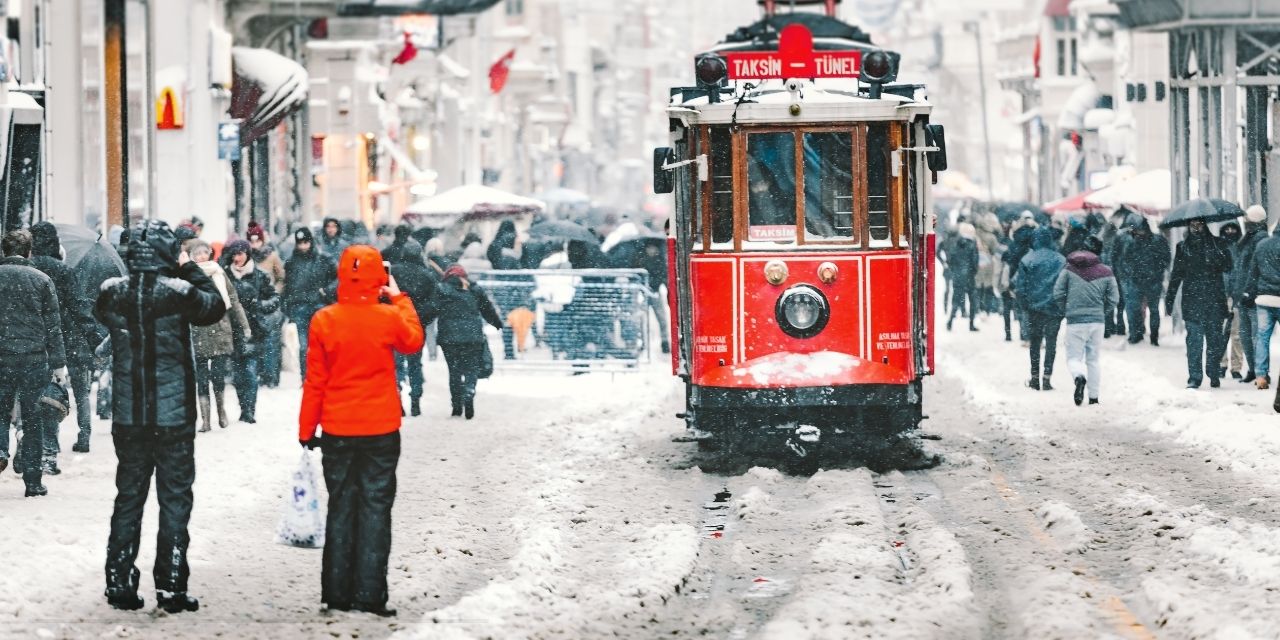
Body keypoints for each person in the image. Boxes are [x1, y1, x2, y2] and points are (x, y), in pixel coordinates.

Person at [96, 220, 225, 612]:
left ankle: (119, 577)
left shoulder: (113, 294)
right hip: (173, 416)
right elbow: (214, 307)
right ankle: (170, 582)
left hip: (130, 413)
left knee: (129, 496)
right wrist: (185, 266)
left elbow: (102, 316)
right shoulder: (180, 293)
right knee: (174, 499)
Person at [298, 244, 424, 616]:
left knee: (341, 506)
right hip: (381, 428)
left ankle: (336, 593)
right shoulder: (387, 318)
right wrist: (398, 297)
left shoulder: (324, 320)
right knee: (375, 509)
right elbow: (413, 339)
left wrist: (307, 429)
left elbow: (315, 381)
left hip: (337, 428)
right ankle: (370, 595)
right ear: (378, 278)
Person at [0, 229, 67, 496]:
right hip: (33, 358)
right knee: (32, 418)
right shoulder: (42, 280)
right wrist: (59, 364)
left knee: (0, 410)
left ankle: (0, 448)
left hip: (2, 356)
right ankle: (32, 480)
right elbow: (53, 326)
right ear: (29, 251)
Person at [28, 221, 96, 458]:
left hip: (38, 340)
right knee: (80, 391)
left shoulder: (30, 268)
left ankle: (45, 443)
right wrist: (95, 337)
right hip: (71, 339)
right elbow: (79, 307)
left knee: (43, 393)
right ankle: (84, 434)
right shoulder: (64, 270)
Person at [425, 265, 503, 419]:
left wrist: (419, 321)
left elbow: (431, 310)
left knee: (454, 372)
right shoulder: (474, 289)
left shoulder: (442, 289)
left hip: (449, 338)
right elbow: (487, 309)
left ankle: (456, 406)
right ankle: (469, 390)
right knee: (471, 368)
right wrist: (497, 323)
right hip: (472, 336)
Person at [189, 241, 252, 432]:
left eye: (203, 253)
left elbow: (233, 299)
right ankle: (205, 419)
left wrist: (244, 325)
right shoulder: (189, 275)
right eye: (196, 253)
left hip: (220, 327)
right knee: (201, 377)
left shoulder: (218, 272)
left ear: (209, 254)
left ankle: (221, 411)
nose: (200, 256)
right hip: (198, 328)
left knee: (218, 375)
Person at [1166, 219, 1232, 389]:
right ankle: (1194, 377)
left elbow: (1228, 267)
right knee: (1194, 341)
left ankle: (1213, 371)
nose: (1196, 228)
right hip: (1192, 299)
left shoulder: (1218, 244)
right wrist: (1170, 298)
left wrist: (1219, 253)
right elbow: (1176, 274)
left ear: (1205, 225)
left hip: (1214, 299)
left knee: (1214, 340)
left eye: (1199, 224)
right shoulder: (1183, 247)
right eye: (1192, 225)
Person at [1054, 236, 1119, 406]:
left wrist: (1067, 310)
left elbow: (1058, 293)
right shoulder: (1107, 271)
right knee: (1093, 360)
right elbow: (1114, 298)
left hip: (1075, 321)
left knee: (1073, 358)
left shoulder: (1069, 269)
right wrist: (1101, 311)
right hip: (1097, 322)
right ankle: (1094, 397)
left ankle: (1078, 377)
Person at [224, 240, 280, 423]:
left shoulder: (259, 276)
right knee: (238, 374)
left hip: (254, 328)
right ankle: (243, 407)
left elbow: (274, 298)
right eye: (234, 254)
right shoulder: (226, 275)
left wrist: (260, 306)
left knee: (250, 371)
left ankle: (249, 410)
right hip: (232, 329)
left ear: (247, 254)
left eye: (240, 254)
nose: (237, 258)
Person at [389, 239, 437, 417]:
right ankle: (415, 398)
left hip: (395, 322)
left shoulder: (393, 272)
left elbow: (386, 296)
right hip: (416, 325)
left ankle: (397, 397)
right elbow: (434, 303)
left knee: (396, 364)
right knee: (415, 364)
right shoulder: (426, 275)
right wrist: (421, 318)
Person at [1015, 227, 1066, 390]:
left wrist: (1025, 306)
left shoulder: (1027, 259)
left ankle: (1034, 377)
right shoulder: (1060, 260)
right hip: (1055, 308)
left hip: (1034, 308)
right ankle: (1047, 378)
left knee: (1035, 343)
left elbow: (1020, 288)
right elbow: (1065, 285)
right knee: (1051, 343)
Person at [283, 228, 337, 382]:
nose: (303, 246)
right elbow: (287, 285)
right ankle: (306, 377)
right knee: (304, 346)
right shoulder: (291, 262)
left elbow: (338, 278)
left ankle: (322, 375)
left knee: (322, 344)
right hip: (300, 307)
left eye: (306, 242)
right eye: (300, 243)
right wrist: (288, 305)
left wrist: (325, 292)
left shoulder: (324, 259)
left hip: (319, 306)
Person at [1114, 214, 1171, 345]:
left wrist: (1129, 273)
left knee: (1138, 309)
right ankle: (1150, 336)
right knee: (1152, 310)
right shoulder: (1158, 240)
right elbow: (1166, 259)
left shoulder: (1134, 242)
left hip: (1140, 281)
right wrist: (1158, 272)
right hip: (1150, 280)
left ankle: (1137, 334)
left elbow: (1124, 260)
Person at [1232, 205, 1269, 383]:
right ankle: (1254, 369)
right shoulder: (1247, 240)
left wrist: (1249, 291)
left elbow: (1255, 270)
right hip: (1244, 295)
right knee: (1246, 336)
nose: (1245, 224)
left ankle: (1259, 371)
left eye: (1247, 221)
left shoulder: (1259, 241)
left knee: (1254, 336)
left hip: (1253, 296)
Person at [247, 223, 285, 387]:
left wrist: (275, 292)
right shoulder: (246, 257)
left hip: (270, 304)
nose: (255, 244)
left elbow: (281, 277)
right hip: (254, 305)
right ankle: (261, 375)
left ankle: (271, 376)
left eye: (257, 240)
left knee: (271, 343)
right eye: (252, 240)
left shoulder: (272, 256)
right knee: (258, 343)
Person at [1246, 218, 1280, 390]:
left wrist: (1248, 292)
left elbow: (1253, 272)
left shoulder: (1262, 245)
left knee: (1262, 337)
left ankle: (1261, 376)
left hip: (1264, 298)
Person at [1218, 222, 1246, 380]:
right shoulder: (1218, 248)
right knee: (1222, 332)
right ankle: (1222, 364)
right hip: (1222, 295)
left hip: (1237, 295)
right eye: (1227, 229)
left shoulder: (1242, 248)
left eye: (1232, 229)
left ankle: (1236, 366)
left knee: (1237, 334)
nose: (1230, 232)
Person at [946, 222, 980, 332]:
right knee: (972, 300)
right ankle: (971, 324)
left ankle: (950, 321)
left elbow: (950, 259)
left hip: (957, 276)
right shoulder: (972, 244)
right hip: (969, 276)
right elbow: (975, 261)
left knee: (956, 299)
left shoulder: (956, 243)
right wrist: (973, 271)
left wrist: (955, 270)